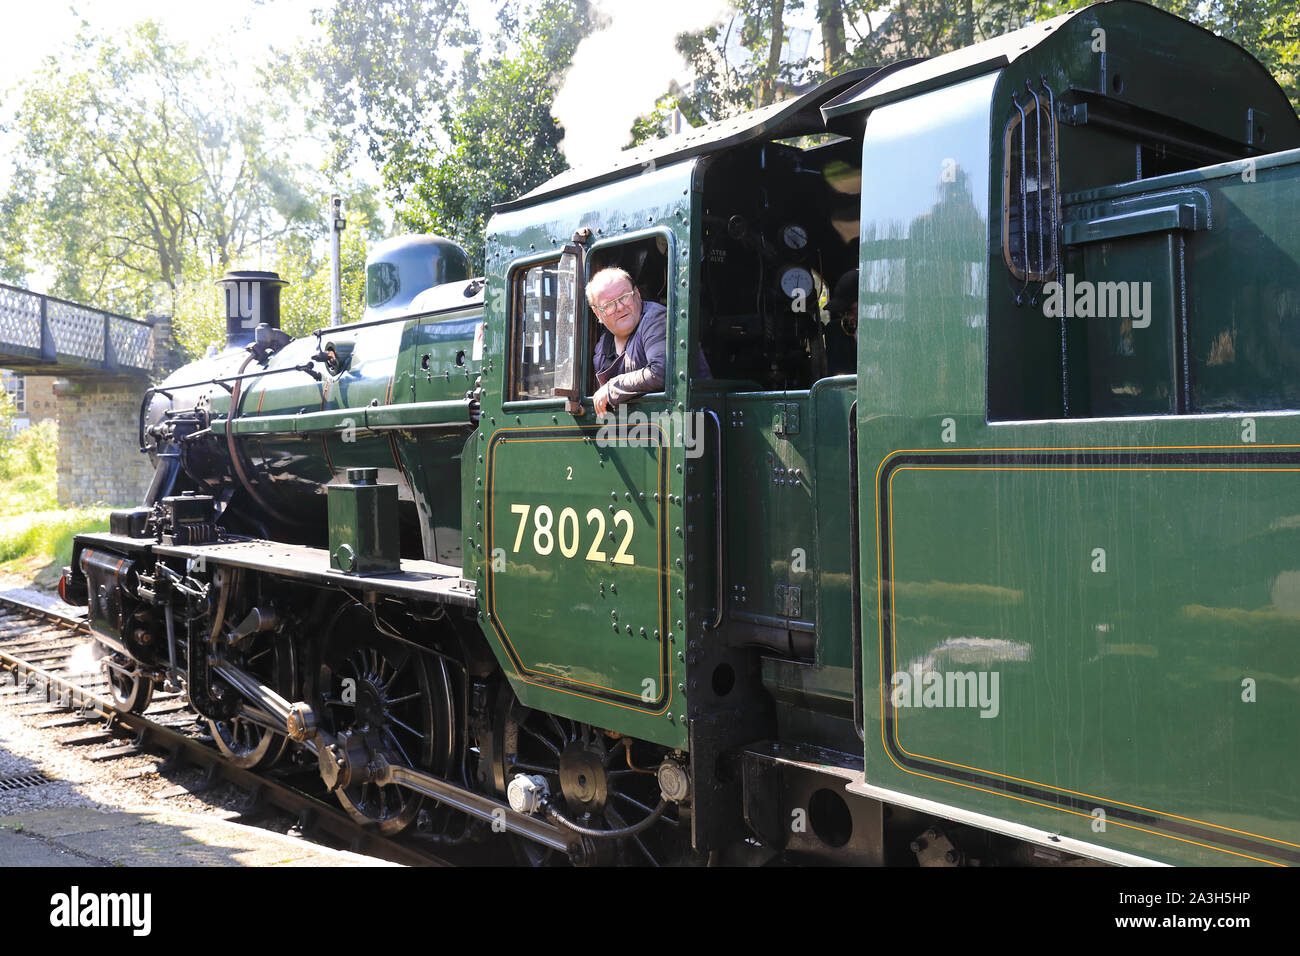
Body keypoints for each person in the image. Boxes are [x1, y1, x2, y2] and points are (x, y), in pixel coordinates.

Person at [589, 267, 709, 415]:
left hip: (687, 420)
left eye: (624, 296)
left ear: (637, 294)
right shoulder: (603, 344)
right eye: (608, 305)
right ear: (597, 313)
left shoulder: (656, 317)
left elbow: (660, 372)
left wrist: (611, 388)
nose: (619, 307)